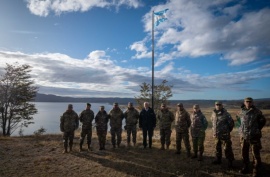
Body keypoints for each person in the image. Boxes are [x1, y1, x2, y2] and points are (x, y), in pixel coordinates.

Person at [238, 97, 266, 177]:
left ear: (252, 102)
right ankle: (246, 167)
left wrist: (256, 130)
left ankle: (256, 170)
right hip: (243, 136)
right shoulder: (241, 111)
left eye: (250, 102)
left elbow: (262, 121)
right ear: (244, 102)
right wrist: (240, 130)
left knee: (255, 154)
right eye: (247, 102)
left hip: (254, 137)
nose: (248, 103)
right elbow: (238, 121)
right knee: (244, 153)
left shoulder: (257, 112)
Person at [211, 101, 235, 168]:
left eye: (219, 104)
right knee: (217, 148)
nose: (218, 106)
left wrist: (226, 131)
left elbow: (231, 124)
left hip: (225, 135)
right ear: (215, 105)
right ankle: (218, 160)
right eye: (216, 104)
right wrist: (214, 131)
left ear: (222, 105)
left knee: (227, 149)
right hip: (216, 135)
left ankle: (230, 162)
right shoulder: (213, 113)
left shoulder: (226, 114)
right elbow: (213, 123)